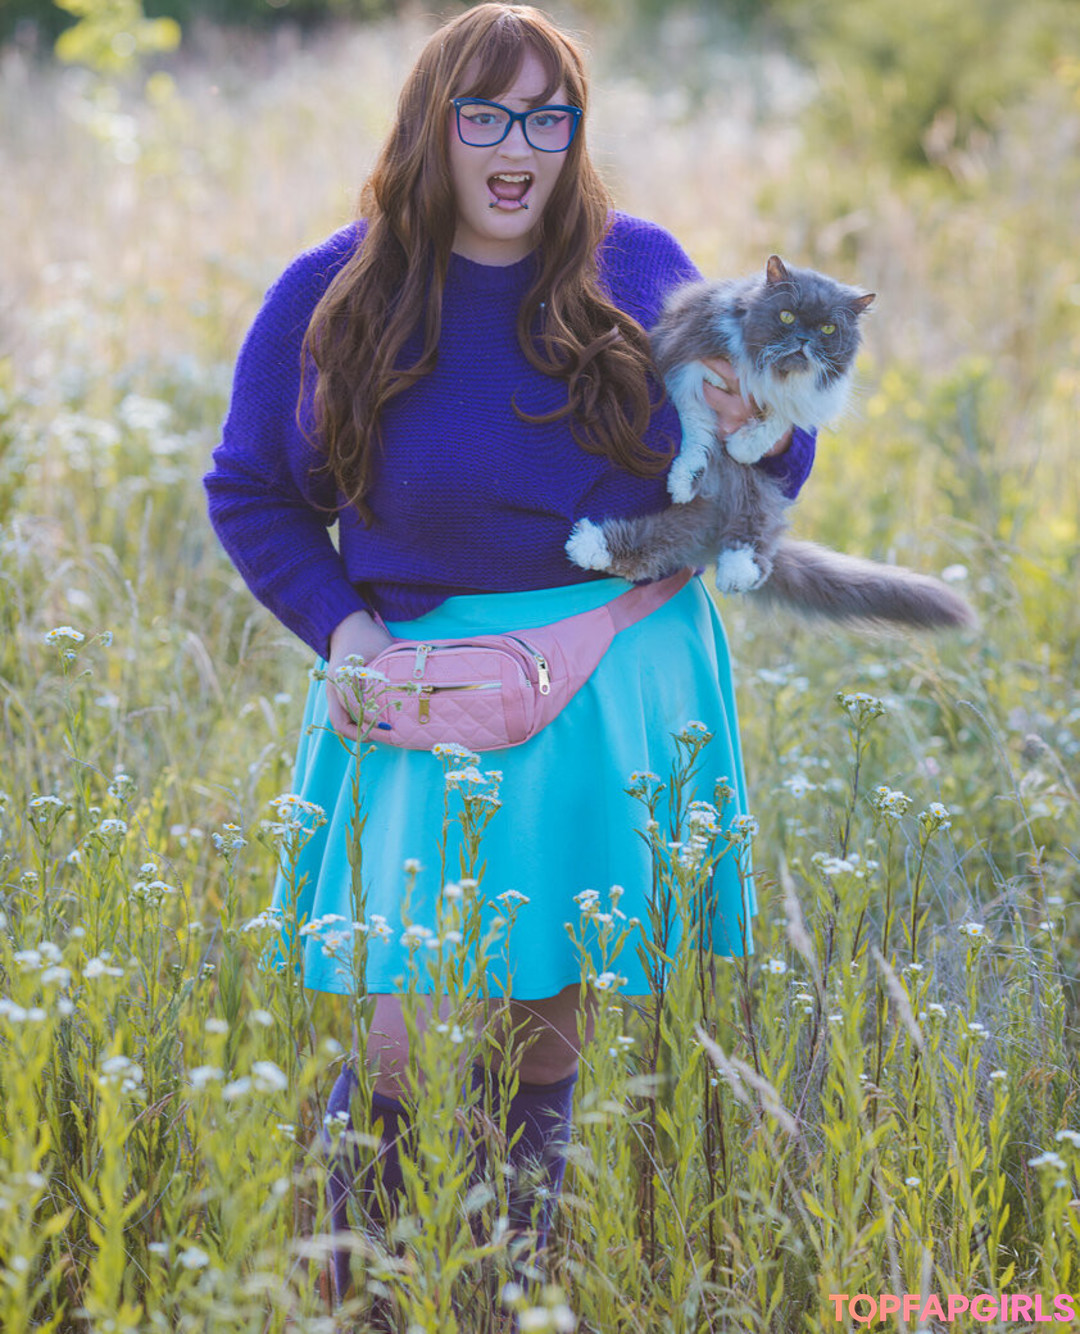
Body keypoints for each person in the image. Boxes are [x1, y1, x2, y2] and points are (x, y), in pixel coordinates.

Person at [204, 0, 816, 1309]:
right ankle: (359, 1303)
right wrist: (350, 637)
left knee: (545, 1027)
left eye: (550, 118)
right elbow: (250, 487)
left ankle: (505, 1291)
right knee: (402, 1041)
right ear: (433, 125)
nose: (518, 147)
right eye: (486, 114)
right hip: (420, 692)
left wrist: (757, 416)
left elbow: (771, 460)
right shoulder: (336, 288)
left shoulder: (638, 265)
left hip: (610, 675)